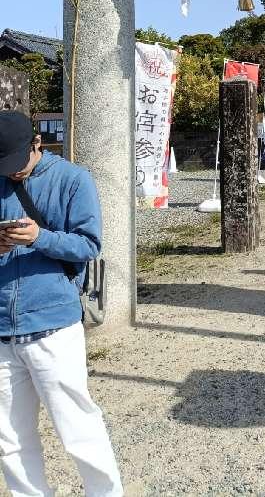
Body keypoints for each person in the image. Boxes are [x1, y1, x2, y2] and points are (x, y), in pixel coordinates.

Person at [0, 110, 122, 497]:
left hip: (53, 325)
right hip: (2, 328)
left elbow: (89, 246)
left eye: (15, 164)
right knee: (9, 439)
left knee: (77, 429)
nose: (10, 173)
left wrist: (39, 237)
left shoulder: (73, 179)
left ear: (37, 144)